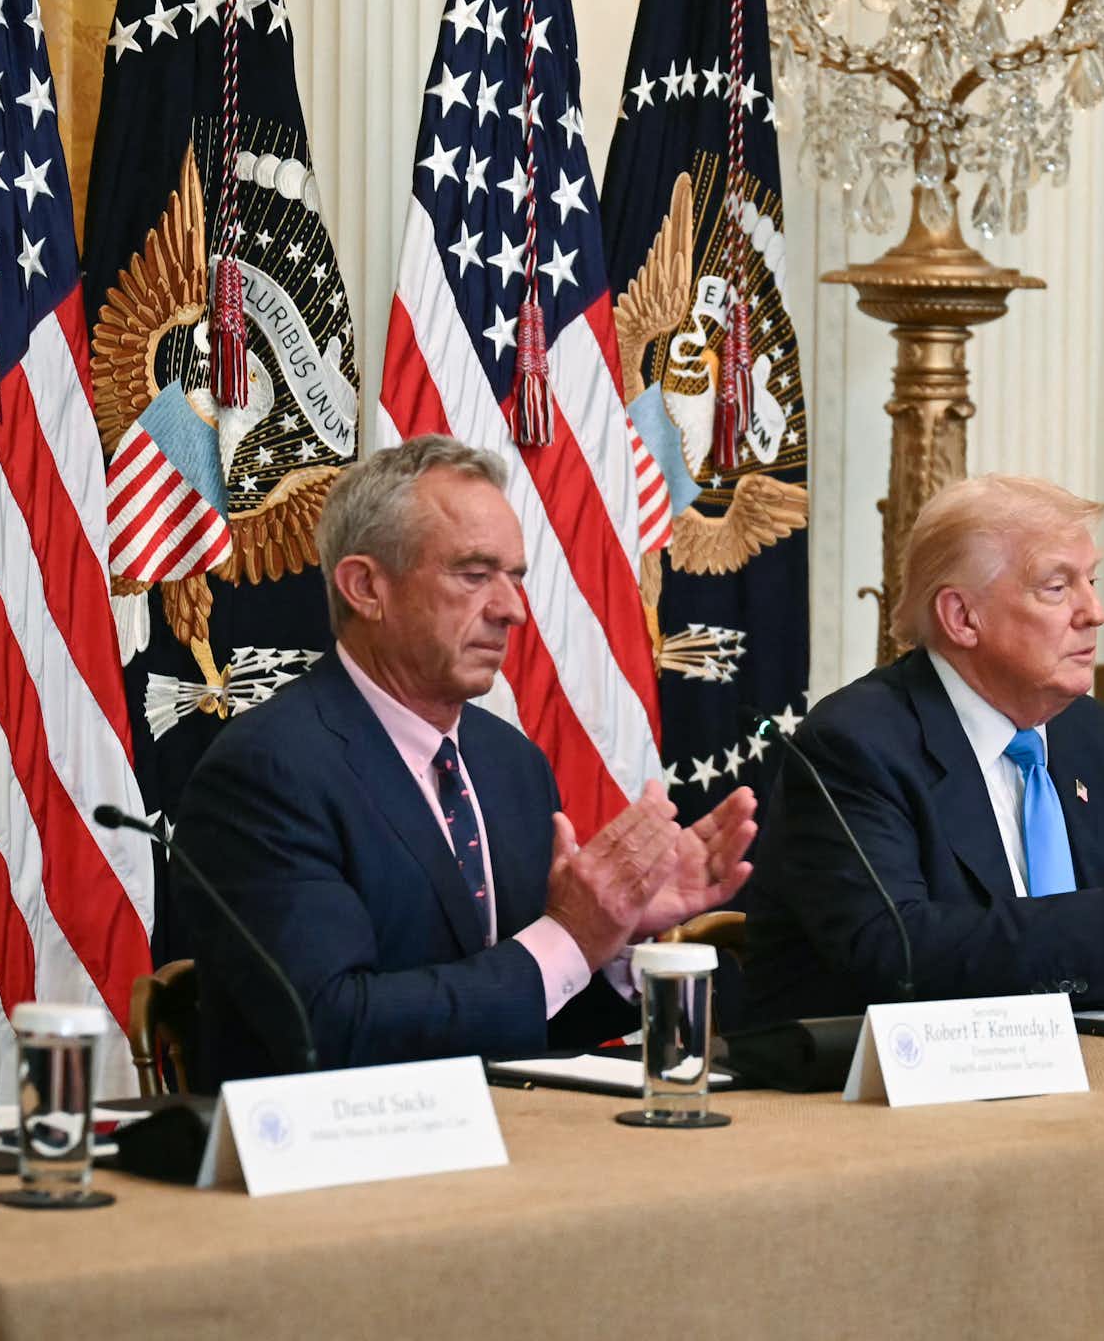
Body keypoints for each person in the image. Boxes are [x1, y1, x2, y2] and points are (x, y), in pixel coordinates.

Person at [176, 437, 756, 1084]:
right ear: (367, 586)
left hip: (510, 1154)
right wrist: (567, 937)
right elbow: (331, 1028)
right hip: (332, 1168)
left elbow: (527, 1018)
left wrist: (611, 942)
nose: (512, 609)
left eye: (515, 577)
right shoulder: (268, 772)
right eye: (475, 575)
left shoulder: (512, 766)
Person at [742, 475, 1104, 1022]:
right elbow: (894, 952)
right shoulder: (855, 744)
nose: (1094, 611)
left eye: (1092, 580)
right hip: (873, 1091)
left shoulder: (1102, 739)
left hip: (1097, 1073)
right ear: (961, 617)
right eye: (1057, 587)